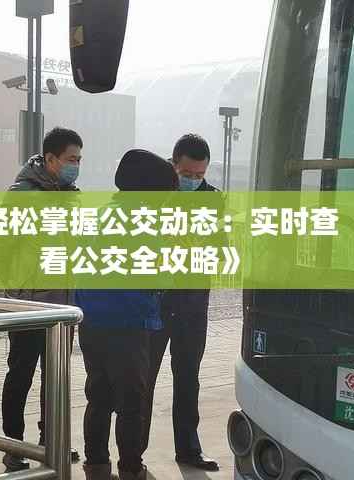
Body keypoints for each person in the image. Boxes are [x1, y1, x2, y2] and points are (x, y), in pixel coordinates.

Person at [75, 150, 179, 480]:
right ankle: (132, 469)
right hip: (129, 324)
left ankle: (96, 467)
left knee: (98, 398)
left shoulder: (102, 215)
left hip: (92, 322)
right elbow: (160, 278)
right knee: (131, 403)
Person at [0, 127, 83, 472]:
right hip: (29, 306)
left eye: (79, 159)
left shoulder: (72, 196)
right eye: (71, 159)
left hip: (62, 306)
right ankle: (13, 446)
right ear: (50, 159)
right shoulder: (21, 195)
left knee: (56, 379)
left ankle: (51, 441)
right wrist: (20, 290)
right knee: (21, 375)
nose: (76, 166)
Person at [142, 134, 221, 471]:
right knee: (143, 379)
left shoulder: (213, 200)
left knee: (188, 378)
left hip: (192, 306)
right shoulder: (154, 193)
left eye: (199, 175)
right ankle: (134, 454)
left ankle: (189, 449)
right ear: (173, 165)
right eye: (187, 174)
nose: (193, 180)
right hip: (156, 305)